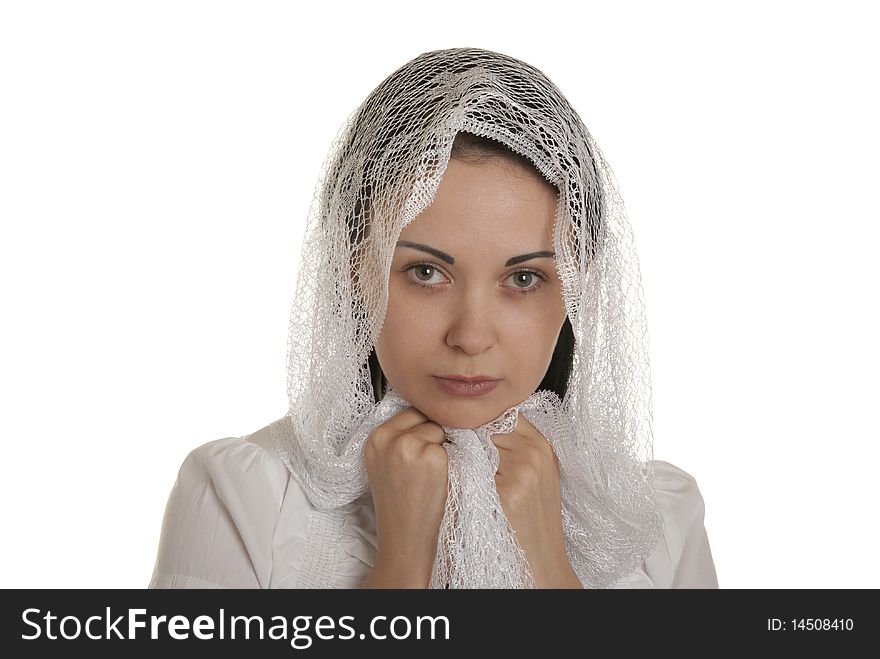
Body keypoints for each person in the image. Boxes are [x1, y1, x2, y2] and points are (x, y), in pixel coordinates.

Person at [148, 47, 718, 589]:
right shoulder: (243, 495)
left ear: (577, 286)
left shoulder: (654, 519)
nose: (469, 336)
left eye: (523, 278)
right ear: (355, 269)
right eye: (425, 273)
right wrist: (401, 568)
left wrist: (550, 568)